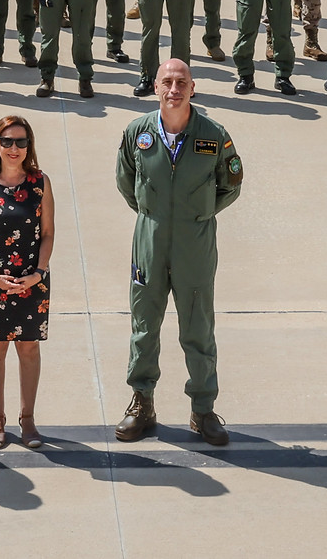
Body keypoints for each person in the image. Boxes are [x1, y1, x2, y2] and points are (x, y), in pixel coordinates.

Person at [115, 58, 243, 448]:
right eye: (167, 82)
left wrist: (197, 215)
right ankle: (142, 402)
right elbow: (126, 182)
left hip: (195, 244)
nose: (174, 89)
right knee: (144, 326)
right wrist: (156, 215)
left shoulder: (213, 135)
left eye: (181, 82)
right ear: (155, 87)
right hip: (149, 241)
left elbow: (231, 185)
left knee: (199, 328)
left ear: (193, 87)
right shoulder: (137, 133)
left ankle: (203, 409)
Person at [0, 115, 55, 450]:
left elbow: (47, 234)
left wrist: (38, 273)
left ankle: (28, 419)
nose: (14, 148)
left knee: (29, 347)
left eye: (21, 142)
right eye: (7, 141)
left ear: (29, 146)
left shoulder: (40, 183)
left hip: (33, 280)